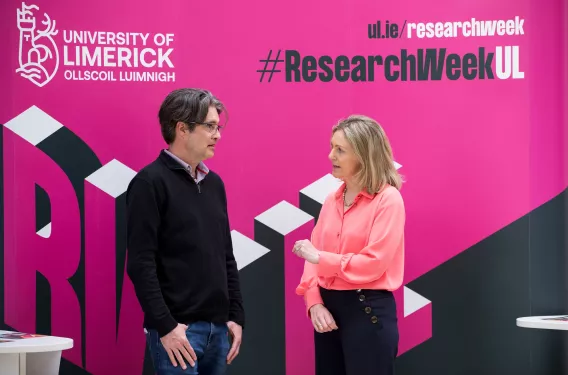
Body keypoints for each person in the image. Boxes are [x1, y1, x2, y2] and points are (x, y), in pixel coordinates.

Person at [126, 88, 245, 375]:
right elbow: (141, 264)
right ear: (182, 128)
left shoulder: (214, 184)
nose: (217, 135)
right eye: (210, 127)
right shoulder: (149, 183)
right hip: (177, 333)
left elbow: (225, 256)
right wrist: (166, 326)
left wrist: (235, 316)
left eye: (218, 127)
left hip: (218, 332)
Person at [293, 115, 405, 375]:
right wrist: (314, 303)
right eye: (332, 146)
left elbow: (374, 264)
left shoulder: (388, 200)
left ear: (364, 155)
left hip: (366, 309)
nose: (331, 155)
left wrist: (321, 258)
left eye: (340, 149)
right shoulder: (332, 200)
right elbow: (313, 258)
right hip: (328, 313)